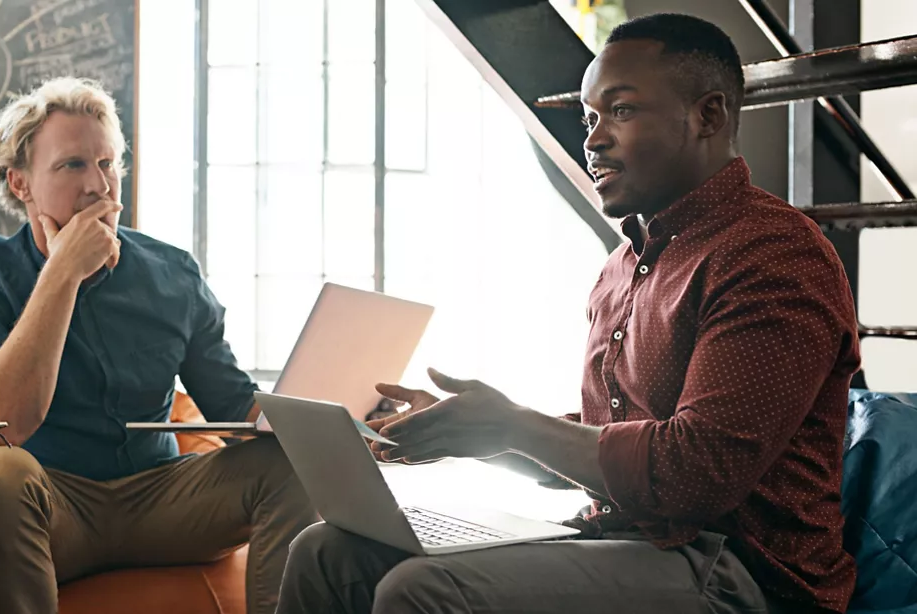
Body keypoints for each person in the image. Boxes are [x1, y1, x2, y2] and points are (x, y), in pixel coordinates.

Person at [275, 13, 859, 614]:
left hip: (747, 573)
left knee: (422, 591)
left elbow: (694, 475)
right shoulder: (621, 269)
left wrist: (513, 426)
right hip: (632, 544)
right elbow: (611, 436)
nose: (593, 138)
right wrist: (472, 430)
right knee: (328, 552)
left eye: (621, 111)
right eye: (590, 117)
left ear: (708, 116)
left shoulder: (772, 253)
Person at [0, 76, 315, 614]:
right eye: (72, 165)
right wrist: (61, 274)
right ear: (19, 183)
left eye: (108, 163)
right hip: (51, 506)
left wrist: (318, 415)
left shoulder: (172, 272)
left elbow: (233, 407)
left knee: (292, 460)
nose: (99, 186)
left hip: (164, 498)